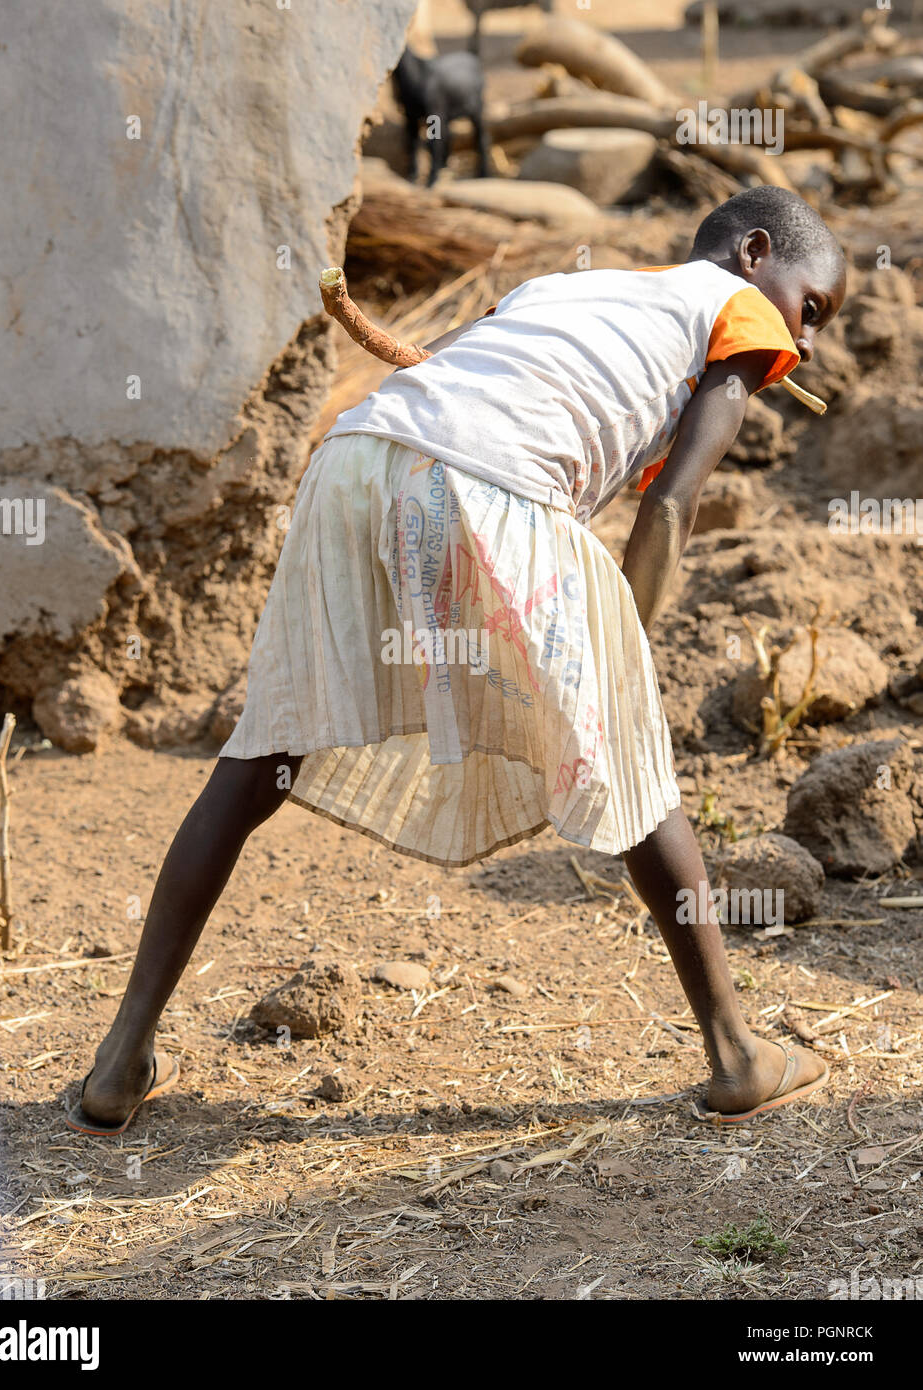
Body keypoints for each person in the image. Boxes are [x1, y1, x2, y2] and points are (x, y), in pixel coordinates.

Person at [68, 186, 846, 1136]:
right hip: (483, 479)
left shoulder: (567, 289)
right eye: (811, 309)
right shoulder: (737, 314)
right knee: (634, 764)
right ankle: (734, 1055)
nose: (803, 345)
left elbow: (482, 385)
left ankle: (119, 1059)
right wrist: (625, 661)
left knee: (257, 758)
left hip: (355, 459)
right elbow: (674, 505)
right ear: (756, 254)